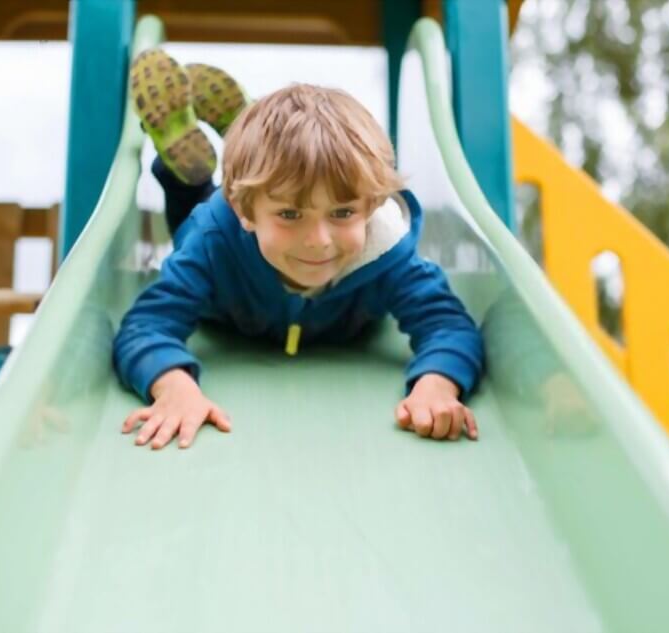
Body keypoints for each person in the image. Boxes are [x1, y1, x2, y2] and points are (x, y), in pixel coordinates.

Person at [113, 49, 485, 450]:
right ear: (245, 210)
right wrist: (173, 385)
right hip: (223, 280)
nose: (319, 239)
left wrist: (437, 384)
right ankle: (183, 171)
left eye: (342, 212)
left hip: (256, 218)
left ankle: (251, 144)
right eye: (291, 214)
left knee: (278, 183)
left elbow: (447, 325)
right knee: (194, 218)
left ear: (373, 206)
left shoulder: (387, 252)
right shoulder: (213, 236)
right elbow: (146, 326)